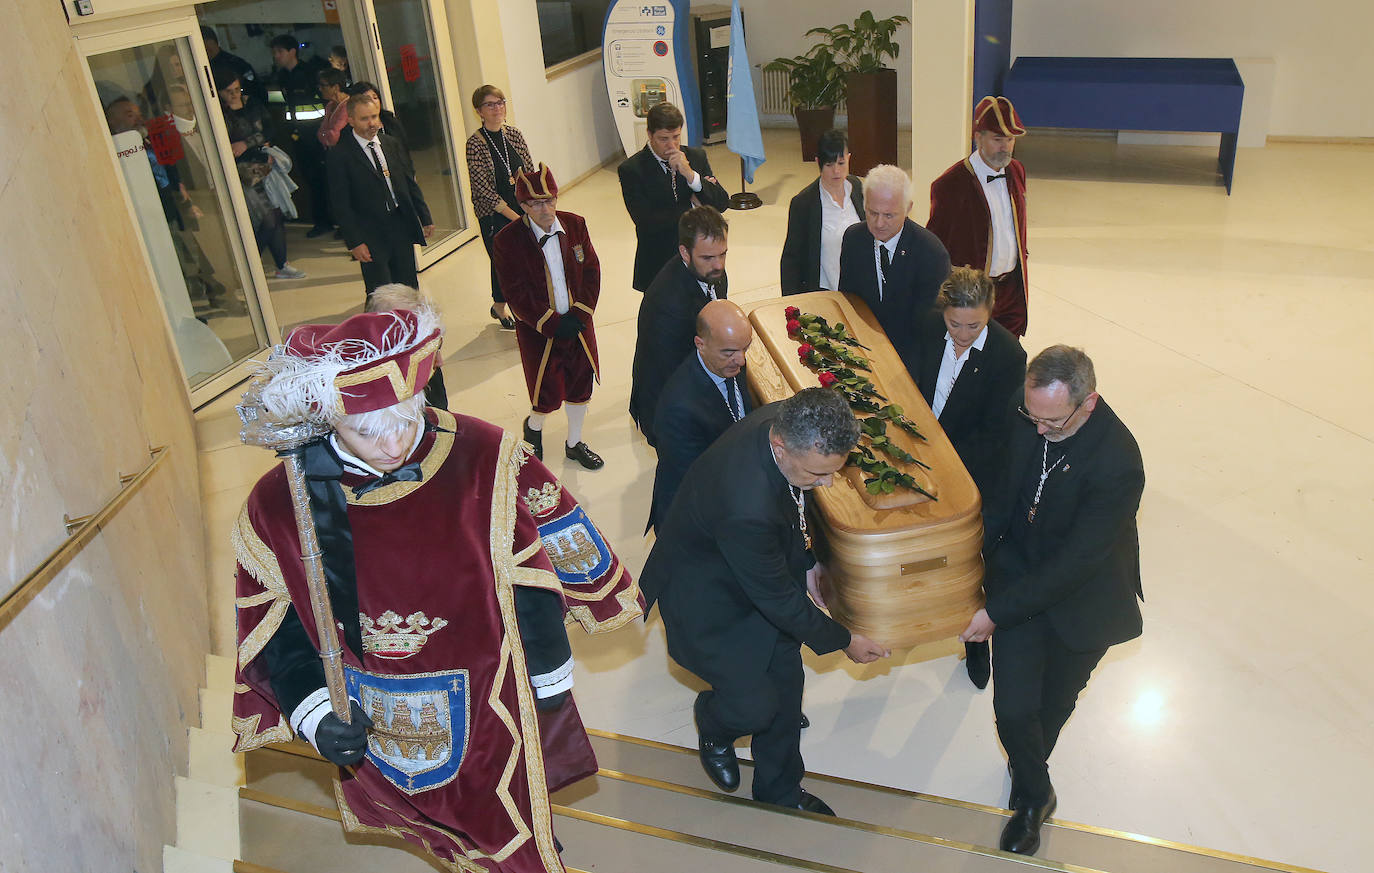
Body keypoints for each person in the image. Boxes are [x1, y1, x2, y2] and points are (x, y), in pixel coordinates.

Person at [231, 306, 643, 872]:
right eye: (368, 433)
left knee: (509, 825)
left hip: (495, 694)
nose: (395, 445)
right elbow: (277, 628)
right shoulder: (281, 503)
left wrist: (549, 674)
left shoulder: (483, 456)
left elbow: (531, 573)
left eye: (407, 420)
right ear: (328, 420)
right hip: (373, 710)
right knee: (445, 832)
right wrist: (314, 713)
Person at [641, 388, 890, 814]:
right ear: (781, 446)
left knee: (787, 693)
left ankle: (780, 790)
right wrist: (844, 638)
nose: (827, 483)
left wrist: (807, 557)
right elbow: (777, 598)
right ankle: (715, 722)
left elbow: (790, 508)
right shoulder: (745, 503)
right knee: (754, 708)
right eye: (818, 474)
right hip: (709, 602)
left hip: (757, 572)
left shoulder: (785, 419)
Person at [958, 345, 1144, 856]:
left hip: (1084, 601)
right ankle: (1036, 797)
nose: (1039, 430)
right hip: (1020, 582)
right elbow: (1002, 499)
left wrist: (994, 614)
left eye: (1053, 423)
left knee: (1051, 707)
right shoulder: (1034, 415)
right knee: (1013, 709)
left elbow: (1077, 563)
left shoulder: (1118, 461)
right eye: (1032, 415)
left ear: (1088, 403)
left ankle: (1027, 774)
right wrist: (967, 567)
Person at [909, 268, 1025, 688]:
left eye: (973, 325)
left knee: (968, 562)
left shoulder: (1007, 357)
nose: (961, 333)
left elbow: (996, 434)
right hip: (917, 456)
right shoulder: (927, 325)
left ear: (990, 313)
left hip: (969, 471)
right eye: (954, 323)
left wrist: (944, 463)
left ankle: (975, 641)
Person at [493, 165, 605, 471]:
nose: (546, 209)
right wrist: (552, 323)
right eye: (537, 203)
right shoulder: (507, 240)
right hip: (539, 330)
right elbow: (515, 293)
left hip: (579, 325)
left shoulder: (576, 225)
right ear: (523, 206)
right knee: (546, 390)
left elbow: (592, 271)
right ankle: (535, 427)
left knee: (581, 383)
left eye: (550, 200)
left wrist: (581, 312)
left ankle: (574, 443)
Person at [646, 300, 754, 533]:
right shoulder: (679, 409)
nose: (741, 360)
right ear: (700, 344)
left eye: (745, 348)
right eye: (729, 352)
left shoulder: (727, 363)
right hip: (695, 519)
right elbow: (698, 481)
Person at [928, 96, 1031, 337]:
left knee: (1007, 358)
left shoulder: (1016, 171)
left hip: (1012, 292)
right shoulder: (950, 185)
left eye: (1010, 139)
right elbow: (936, 246)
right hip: (973, 298)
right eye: (997, 139)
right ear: (978, 138)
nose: (1005, 147)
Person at [628, 206, 729, 448]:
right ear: (685, 252)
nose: (719, 265)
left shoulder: (708, 273)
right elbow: (673, 376)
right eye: (708, 258)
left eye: (723, 254)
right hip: (669, 411)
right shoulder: (668, 303)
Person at [327, 92, 434, 294]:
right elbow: (340, 203)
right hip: (370, 231)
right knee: (381, 290)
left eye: (374, 117)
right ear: (350, 120)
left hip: (399, 223)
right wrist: (354, 242)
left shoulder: (390, 143)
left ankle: (409, 322)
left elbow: (409, 183)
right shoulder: (341, 154)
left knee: (408, 285)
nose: (372, 123)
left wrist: (424, 216)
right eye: (364, 119)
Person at [618, 102, 730, 292]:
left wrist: (692, 176)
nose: (671, 145)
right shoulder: (632, 170)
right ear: (650, 134)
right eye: (663, 139)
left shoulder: (695, 157)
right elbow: (646, 222)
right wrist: (693, 208)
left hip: (702, 261)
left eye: (676, 137)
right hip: (659, 263)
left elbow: (721, 203)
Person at [838, 164, 950, 352]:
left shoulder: (931, 253)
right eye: (873, 213)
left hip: (910, 356)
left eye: (889, 215)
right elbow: (848, 299)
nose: (879, 223)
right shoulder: (854, 238)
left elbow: (931, 327)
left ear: (908, 208)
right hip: (862, 347)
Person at [214, 70, 306, 280]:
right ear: (219, 93)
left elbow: (270, 130)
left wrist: (247, 143)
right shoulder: (219, 113)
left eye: (237, 89)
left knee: (275, 215)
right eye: (229, 91)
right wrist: (253, 142)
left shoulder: (252, 103)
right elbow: (229, 146)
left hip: (263, 165)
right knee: (267, 219)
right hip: (241, 172)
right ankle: (249, 266)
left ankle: (280, 263)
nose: (235, 94)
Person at [465, 84, 533, 330]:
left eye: (500, 102)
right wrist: (514, 216)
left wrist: (532, 206)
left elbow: (529, 172)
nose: (497, 109)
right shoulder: (475, 143)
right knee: (504, 262)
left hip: (520, 209)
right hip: (494, 214)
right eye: (490, 105)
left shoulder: (513, 134)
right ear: (479, 111)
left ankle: (501, 306)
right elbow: (483, 190)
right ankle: (509, 308)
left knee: (521, 261)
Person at [780, 129, 864, 295]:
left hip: (859, 286)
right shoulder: (804, 203)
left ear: (849, 158)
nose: (836, 171)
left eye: (841, 163)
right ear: (818, 163)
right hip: (824, 290)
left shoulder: (857, 188)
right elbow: (792, 259)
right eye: (829, 165)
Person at [270, 33, 331, 238]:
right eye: (274, 52)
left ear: (292, 52)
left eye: (280, 51)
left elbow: (324, 103)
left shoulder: (310, 74)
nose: (276, 56)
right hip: (299, 138)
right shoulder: (281, 77)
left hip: (318, 136)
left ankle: (334, 221)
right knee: (311, 181)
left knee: (327, 179)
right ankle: (322, 222)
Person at [363, 283, 448, 410]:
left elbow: (441, 415)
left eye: (436, 347)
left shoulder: (429, 367)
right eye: (424, 350)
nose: (440, 362)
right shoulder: (365, 392)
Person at [202, 25, 265, 105]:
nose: (206, 51)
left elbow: (257, 90)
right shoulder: (202, 68)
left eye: (208, 48)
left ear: (214, 42)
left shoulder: (236, 64)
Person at [345, 81, 409, 152]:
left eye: (375, 97)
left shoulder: (391, 122)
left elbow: (404, 151)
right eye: (367, 98)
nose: (372, 102)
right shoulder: (348, 134)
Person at [315, 67, 350, 150]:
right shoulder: (330, 105)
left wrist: (324, 135)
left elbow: (334, 137)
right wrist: (324, 135)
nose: (320, 89)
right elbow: (321, 131)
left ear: (336, 87)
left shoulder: (348, 106)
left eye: (323, 86)